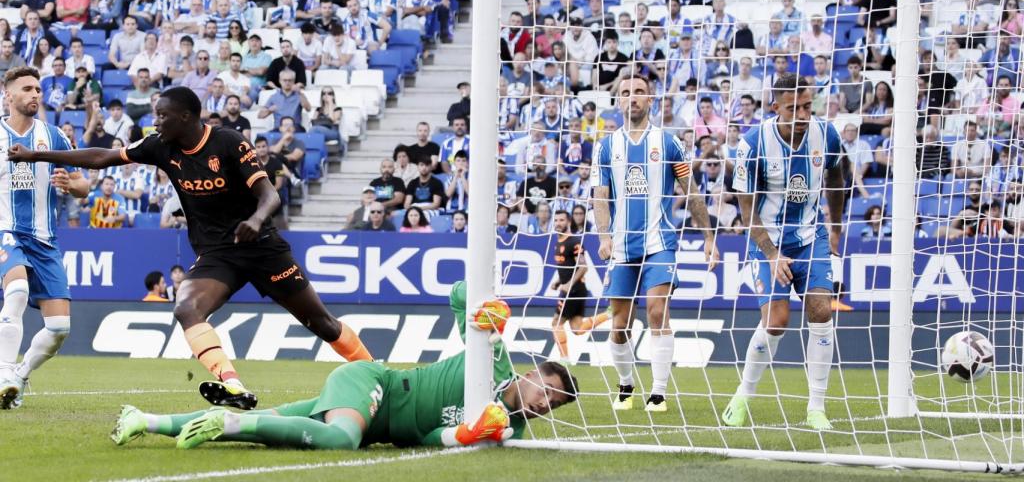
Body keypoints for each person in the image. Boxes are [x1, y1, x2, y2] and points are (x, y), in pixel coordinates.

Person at [9, 87, 374, 411]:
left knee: (321, 323)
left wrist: (256, 220)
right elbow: (102, 157)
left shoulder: (229, 142)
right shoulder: (160, 146)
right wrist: (36, 156)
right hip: (217, 254)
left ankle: (377, 377)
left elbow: (269, 195)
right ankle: (232, 384)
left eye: (162, 115)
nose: (155, 122)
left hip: (262, 247)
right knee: (186, 307)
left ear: (186, 116)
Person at [111, 282, 578, 451]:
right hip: (375, 385)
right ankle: (230, 420)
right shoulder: (492, 358)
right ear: (530, 374)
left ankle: (143, 420)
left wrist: (467, 435)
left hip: (373, 417)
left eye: (554, 404)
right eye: (547, 390)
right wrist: (487, 313)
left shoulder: (509, 430)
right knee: (340, 440)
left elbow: (427, 437)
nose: (545, 404)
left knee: (272, 424)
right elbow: (459, 294)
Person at [721, 73, 846, 431]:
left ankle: (816, 408)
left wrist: (836, 229)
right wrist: (772, 254)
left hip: (811, 237)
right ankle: (743, 394)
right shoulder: (753, 143)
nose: (803, 115)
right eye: (794, 108)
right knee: (776, 322)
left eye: (808, 106)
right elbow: (748, 213)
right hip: (768, 241)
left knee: (821, 311)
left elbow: (836, 181)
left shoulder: (827, 135)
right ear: (776, 107)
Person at [593, 76, 719, 412]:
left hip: (659, 242)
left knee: (657, 312)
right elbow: (600, 195)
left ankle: (659, 393)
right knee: (620, 325)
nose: (632, 97)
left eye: (638, 92)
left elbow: (691, 191)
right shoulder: (605, 147)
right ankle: (626, 385)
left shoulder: (669, 143)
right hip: (621, 247)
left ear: (650, 100)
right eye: (625, 93)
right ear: (619, 101)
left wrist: (708, 236)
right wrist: (604, 236)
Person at [0, 67, 90, 409]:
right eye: (27, 89)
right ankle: (3, 372)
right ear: (8, 95)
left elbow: (83, 185)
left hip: (44, 240)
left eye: (38, 89)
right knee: (17, 291)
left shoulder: (54, 137)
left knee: (59, 328)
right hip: (5, 230)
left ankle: (19, 377)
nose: (35, 94)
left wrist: (71, 184)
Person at [549, 210, 610, 362]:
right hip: (574, 290)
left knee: (556, 323)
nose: (558, 223)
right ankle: (608, 314)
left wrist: (568, 284)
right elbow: (568, 267)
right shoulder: (559, 242)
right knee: (577, 328)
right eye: (556, 220)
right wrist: (558, 281)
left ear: (569, 222)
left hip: (573, 291)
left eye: (561, 220)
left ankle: (564, 359)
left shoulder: (574, 241)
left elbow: (583, 266)